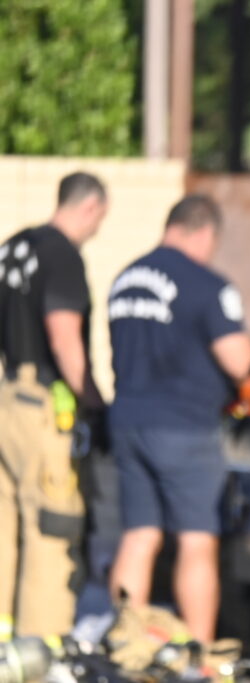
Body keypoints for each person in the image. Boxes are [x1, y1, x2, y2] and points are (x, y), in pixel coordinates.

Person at [106, 194, 250, 643]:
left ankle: (128, 644)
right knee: (197, 540)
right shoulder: (207, 284)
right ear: (204, 232)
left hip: (128, 421)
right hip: (184, 427)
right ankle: (200, 654)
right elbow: (237, 360)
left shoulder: (124, 279)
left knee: (139, 536)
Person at [0, 172, 109, 640]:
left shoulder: (13, 248)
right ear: (89, 207)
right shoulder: (61, 253)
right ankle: (39, 655)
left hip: (7, 398)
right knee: (51, 527)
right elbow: (65, 339)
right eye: (99, 219)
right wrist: (96, 404)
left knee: (5, 527)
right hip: (44, 410)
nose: (97, 229)